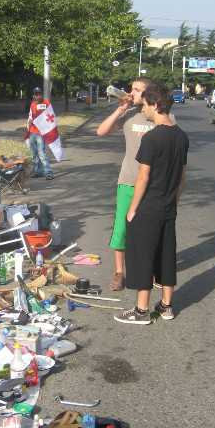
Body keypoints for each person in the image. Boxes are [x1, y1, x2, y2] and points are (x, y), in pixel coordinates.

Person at [114, 82, 189, 325]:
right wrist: (173, 201)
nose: (144, 110)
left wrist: (133, 209)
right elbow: (183, 177)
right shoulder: (181, 136)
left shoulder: (152, 138)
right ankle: (167, 306)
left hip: (148, 207)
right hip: (168, 207)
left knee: (142, 256)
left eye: (146, 105)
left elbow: (143, 177)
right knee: (167, 255)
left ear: (156, 105)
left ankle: (141, 310)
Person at [96, 77, 154, 291]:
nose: (132, 93)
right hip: (128, 181)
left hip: (153, 184)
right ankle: (120, 272)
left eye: (138, 90)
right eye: (132, 89)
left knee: (150, 229)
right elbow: (101, 131)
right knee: (121, 229)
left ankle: (150, 268)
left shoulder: (160, 117)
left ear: (149, 94)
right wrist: (120, 110)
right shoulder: (129, 114)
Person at [25, 87, 54, 180]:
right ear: (33, 95)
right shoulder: (33, 104)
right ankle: (38, 171)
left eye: (39, 94)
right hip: (32, 131)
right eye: (35, 94)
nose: (37, 95)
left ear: (41, 94)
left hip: (41, 132)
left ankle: (48, 172)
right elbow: (30, 116)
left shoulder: (46, 103)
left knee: (41, 153)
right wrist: (28, 126)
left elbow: (51, 116)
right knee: (34, 154)